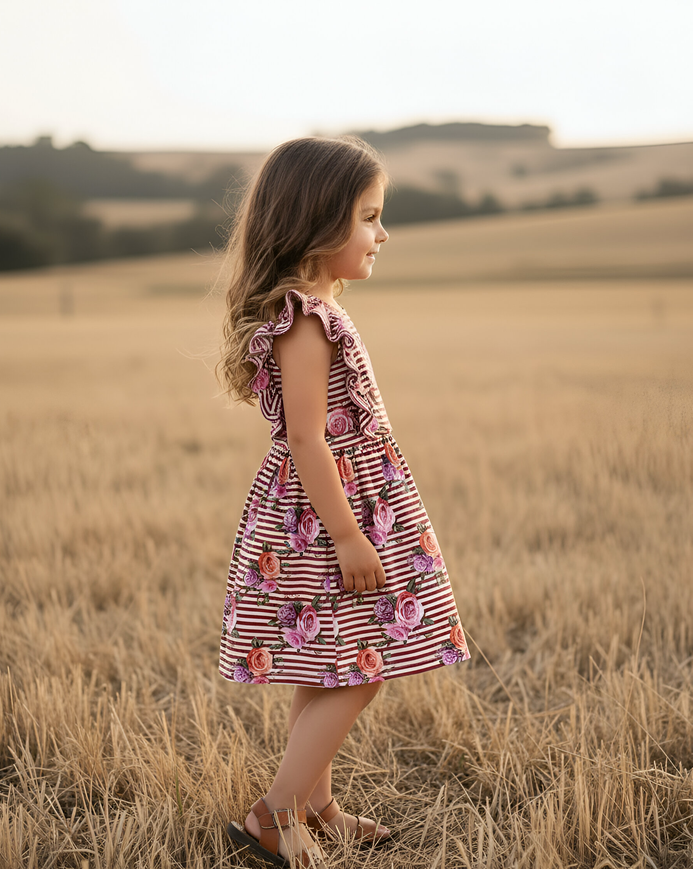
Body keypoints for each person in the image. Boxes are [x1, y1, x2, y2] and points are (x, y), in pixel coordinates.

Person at [216, 136, 470, 868]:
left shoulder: (315, 309)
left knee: (331, 662)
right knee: (368, 660)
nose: (382, 233)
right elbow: (306, 439)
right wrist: (351, 537)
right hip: (329, 514)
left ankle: (317, 802)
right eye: (369, 217)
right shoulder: (305, 319)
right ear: (318, 222)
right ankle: (276, 812)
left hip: (337, 504)